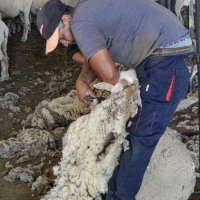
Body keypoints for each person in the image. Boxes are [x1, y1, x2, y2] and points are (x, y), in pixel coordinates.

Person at [37, 0, 196, 199]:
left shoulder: (80, 24)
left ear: (66, 19)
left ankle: (120, 197)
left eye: (61, 37)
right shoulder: (86, 12)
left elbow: (110, 76)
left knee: (142, 134)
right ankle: (113, 191)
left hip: (169, 58)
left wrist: (88, 80)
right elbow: (96, 58)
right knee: (134, 126)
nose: (65, 43)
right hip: (161, 55)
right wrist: (82, 80)